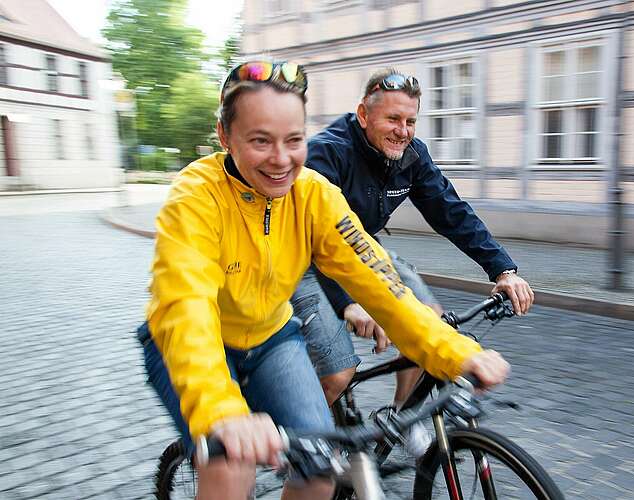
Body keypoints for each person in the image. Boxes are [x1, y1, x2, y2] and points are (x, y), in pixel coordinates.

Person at [137, 60, 511, 500]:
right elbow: (187, 306)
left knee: (319, 468)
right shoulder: (195, 196)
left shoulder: (315, 194)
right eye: (260, 141)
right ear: (225, 137)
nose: (281, 159)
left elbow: (381, 282)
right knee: (230, 464)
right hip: (186, 344)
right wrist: (221, 411)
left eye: (293, 140)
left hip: (272, 339)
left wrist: (456, 353)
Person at [290, 68, 535, 420]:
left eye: (410, 121)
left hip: (364, 250)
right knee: (337, 373)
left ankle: (404, 418)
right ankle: (310, 446)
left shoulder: (411, 155)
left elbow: (452, 212)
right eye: (392, 119)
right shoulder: (327, 154)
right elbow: (315, 238)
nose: (402, 131)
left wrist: (503, 269)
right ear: (363, 114)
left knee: (429, 321)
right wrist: (349, 302)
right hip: (307, 260)